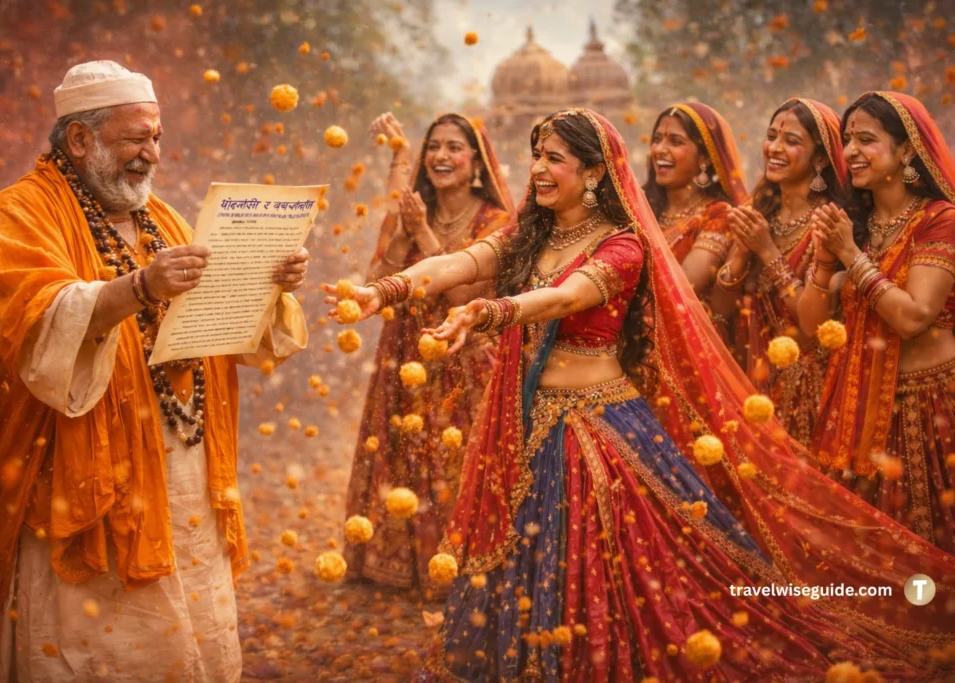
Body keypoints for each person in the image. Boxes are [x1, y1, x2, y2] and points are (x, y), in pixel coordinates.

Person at [325, 108, 955, 681]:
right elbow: (456, 263)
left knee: (623, 578)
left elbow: (567, 299)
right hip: (529, 428)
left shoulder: (623, 244)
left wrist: (491, 312)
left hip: (597, 433)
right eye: (536, 157)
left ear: (595, 172)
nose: (538, 171)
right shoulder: (530, 235)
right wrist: (385, 292)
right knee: (531, 562)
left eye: (554, 160)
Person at [0, 61, 309, 681]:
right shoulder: (18, 215)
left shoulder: (161, 219)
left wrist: (268, 285)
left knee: (188, 639)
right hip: (80, 476)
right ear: (80, 140)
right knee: (93, 648)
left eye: (157, 138)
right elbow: (37, 326)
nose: (152, 155)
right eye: (135, 139)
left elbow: (222, 331)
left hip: (183, 475)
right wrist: (138, 286)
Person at [344, 113, 513, 596]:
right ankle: (404, 567)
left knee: (454, 460)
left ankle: (459, 566)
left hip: (462, 358)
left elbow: (465, 299)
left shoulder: (496, 222)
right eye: (433, 146)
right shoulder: (410, 211)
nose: (441, 156)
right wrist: (404, 230)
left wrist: (423, 236)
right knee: (403, 454)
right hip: (404, 353)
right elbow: (378, 280)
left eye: (454, 147)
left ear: (476, 162)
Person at [800, 91, 955, 553]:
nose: (850, 152)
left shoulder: (939, 220)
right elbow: (811, 325)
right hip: (869, 412)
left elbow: (914, 317)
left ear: (907, 149)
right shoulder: (857, 223)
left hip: (935, 408)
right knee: (879, 553)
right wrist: (826, 263)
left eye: (866, 139)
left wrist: (850, 254)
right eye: (848, 140)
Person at [712, 98, 848, 446]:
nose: (774, 147)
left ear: (821, 158)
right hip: (756, 381)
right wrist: (740, 256)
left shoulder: (831, 224)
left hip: (817, 388)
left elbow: (812, 326)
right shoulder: (758, 212)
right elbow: (722, 310)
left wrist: (767, 251)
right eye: (772, 136)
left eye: (791, 141)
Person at [643, 102, 747, 340]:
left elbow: (684, 286)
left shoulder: (718, 215)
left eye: (675, 141)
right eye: (657, 139)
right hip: (634, 343)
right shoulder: (642, 208)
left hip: (685, 345)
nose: (659, 149)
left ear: (704, 158)